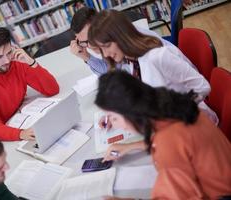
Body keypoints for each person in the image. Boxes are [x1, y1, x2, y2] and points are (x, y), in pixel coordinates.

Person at [95, 71, 231, 199]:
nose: (116, 125)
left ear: (130, 112)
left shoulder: (168, 143)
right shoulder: (173, 106)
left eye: (114, 117)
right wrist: (130, 146)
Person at [87, 9, 218, 124]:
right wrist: (118, 115)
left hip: (194, 124)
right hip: (169, 128)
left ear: (122, 36)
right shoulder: (130, 61)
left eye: (107, 46)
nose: (106, 54)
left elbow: (202, 86)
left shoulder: (157, 57)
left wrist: (175, 112)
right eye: (101, 49)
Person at [0, 27, 59, 141]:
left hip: (23, 118)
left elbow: (53, 89)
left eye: (9, 53)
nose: (7, 61)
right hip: (6, 134)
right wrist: (21, 134)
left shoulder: (16, 62)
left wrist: (31, 62)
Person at [70, 7, 173, 76]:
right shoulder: (108, 44)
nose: (90, 46)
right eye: (83, 42)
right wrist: (86, 57)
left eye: (90, 38)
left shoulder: (138, 49)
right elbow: (113, 71)